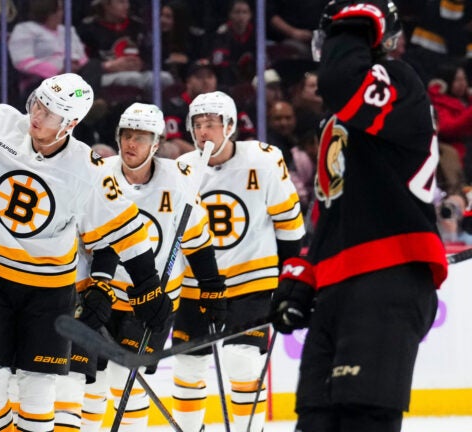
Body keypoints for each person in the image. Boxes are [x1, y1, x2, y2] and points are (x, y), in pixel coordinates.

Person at [0, 73, 171, 432]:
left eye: (50, 112)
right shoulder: (0, 125)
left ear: (70, 123)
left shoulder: (88, 169)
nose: (37, 115)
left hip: (49, 292)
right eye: (38, 103)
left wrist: (147, 286)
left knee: (38, 392)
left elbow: (127, 230)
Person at [270, 1, 448, 431]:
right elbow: (334, 209)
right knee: (315, 420)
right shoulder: (337, 120)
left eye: (335, 40)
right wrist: (305, 274)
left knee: (361, 420)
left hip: (389, 276)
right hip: (337, 287)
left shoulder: (400, 83)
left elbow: (340, 79)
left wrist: (352, 23)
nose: (327, 49)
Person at [74, 103, 224, 431]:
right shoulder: (99, 174)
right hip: (104, 294)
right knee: (91, 383)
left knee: (127, 379)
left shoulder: (179, 180)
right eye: (126, 135)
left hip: (153, 302)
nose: (131, 144)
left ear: (155, 145)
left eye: (140, 138)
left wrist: (211, 286)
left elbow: (197, 240)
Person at [174, 91, 305, 432]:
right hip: (197, 287)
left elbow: (289, 224)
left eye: (212, 124)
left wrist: (291, 280)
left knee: (242, 361)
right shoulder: (182, 170)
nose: (204, 132)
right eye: (198, 125)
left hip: (252, 280)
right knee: (188, 367)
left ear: (230, 126)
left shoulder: (263, 160)